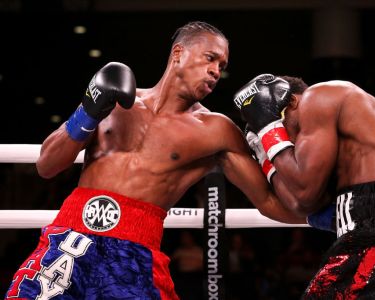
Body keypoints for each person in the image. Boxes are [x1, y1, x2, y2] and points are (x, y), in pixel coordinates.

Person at [5, 22, 305, 299]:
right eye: (210, 58)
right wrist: (89, 110)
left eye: (222, 65)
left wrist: (333, 214)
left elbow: (270, 202)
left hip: (134, 254)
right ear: (179, 53)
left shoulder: (216, 130)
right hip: (69, 240)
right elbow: (46, 165)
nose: (216, 70)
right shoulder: (116, 102)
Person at [233, 74, 375, 299]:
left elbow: (304, 191)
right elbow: (299, 203)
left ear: (292, 102)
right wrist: (266, 157)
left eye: (282, 127)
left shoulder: (319, 96)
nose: (288, 142)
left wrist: (269, 130)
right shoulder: (344, 153)